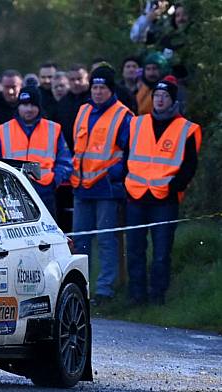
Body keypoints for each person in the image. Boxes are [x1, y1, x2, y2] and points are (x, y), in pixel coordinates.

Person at [125, 77, 200, 306]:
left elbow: (189, 166)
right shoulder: (137, 123)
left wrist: (173, 188)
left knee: (161, 253)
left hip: (164, 199)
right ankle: (136, 297)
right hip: (136, 195)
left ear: (173, 100)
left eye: (164, 96)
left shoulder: (187, 128)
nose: (159, 100)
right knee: (135, 250)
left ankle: (157, 297)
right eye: (156, 95)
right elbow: (126, 156)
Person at [70, 66, 133, 306]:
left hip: (106, 188)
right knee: (80, 241)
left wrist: (113, 175)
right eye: (94, 87)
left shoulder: (123, 115)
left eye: (102, 88)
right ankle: (80, 289)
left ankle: (105, 290)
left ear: (111, 89)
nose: (97, 92)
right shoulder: (83, 110)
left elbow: (128, 153)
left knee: (107, 241)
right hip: (82, 186)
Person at [0, 86, 72, 216]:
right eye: (25, 105)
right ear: (18, 106)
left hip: (44, 190)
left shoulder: (53, 129)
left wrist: (55, 180)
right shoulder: (3, 130)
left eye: (33, 104)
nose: (29, 109)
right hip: (12, 190)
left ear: (39, 106)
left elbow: (65, 161)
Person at [55, 64, 90, 150]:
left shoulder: (95, 100)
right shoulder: (63, 103)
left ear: (87, 79)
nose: (76, 83)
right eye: (72, 80)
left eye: (79, 79)